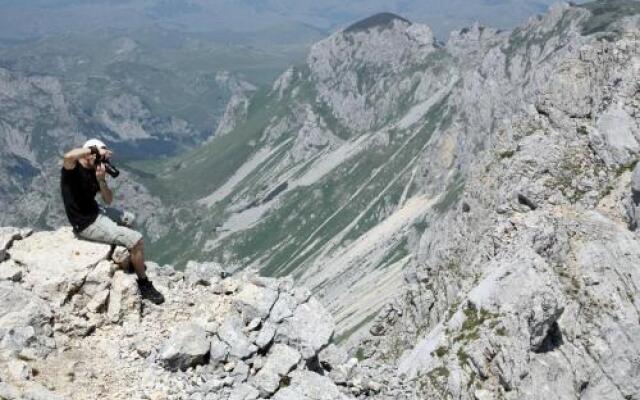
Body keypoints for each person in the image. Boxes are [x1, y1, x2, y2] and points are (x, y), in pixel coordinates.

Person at [60, 138, 165, 304]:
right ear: (89, 154)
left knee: (130, 218)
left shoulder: (96, 169)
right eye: (96, 156)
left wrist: (101, 180)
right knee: (136, 239)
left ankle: (130, 260)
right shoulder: (72, 169)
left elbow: (108, 200)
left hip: (96, 211)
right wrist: (94, 151)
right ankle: (144, 284)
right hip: (86, 222)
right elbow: (68, 156)